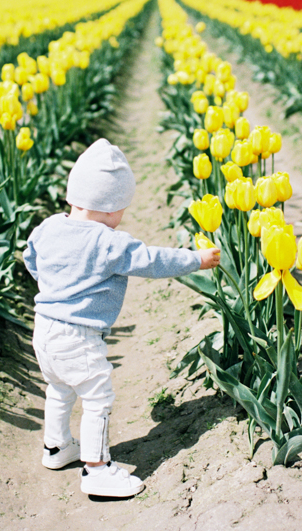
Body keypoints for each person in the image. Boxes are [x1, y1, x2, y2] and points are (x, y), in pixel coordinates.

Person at [23, 138, 221, 498]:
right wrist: (196, 259)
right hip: (78, 335)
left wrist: (53, 286)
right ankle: (97, 470)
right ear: (114, 207)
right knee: (97, 397)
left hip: (44, 329)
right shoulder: (108, 241)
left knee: (60, 388)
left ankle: (56, 448)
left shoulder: (49, 226)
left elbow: (30, 257)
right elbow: (153, 261)